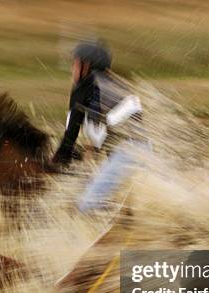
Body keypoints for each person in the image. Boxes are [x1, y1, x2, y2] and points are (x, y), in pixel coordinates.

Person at [52, 39, 149, 212]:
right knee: (86, 190)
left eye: (75, 64)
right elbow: (107, 132)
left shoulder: (84, 88)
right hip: (143, 151)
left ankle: (109, 224)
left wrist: (53, 165)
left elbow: (70, 138)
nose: (72, 69)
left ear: (86, 66)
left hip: (127, 153)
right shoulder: (116, 85)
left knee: (87, 205)